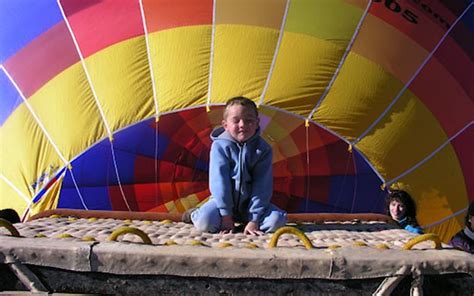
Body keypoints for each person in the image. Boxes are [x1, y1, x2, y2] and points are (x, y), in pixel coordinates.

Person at [185, 97, 287, 235]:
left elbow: (262, 185)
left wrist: (254, 219)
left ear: (257, 123)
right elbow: (219, 182)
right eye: (236, 120)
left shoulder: (263, 150)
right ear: (225, 125)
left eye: (249, 120)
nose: (242, 125)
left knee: (277, 221)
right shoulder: (219, 146)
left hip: (250, 207)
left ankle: (247, 224)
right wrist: (226, 216)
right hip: (221, 206)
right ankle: (194, 215)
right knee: (205, 223)